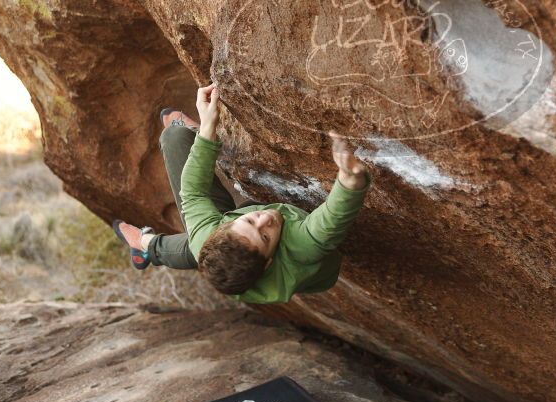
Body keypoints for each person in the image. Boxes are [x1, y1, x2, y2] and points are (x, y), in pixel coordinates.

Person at [112, 83, 372, 304]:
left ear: (221, 228)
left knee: (174, 137)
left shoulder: (208, 236)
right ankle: (146, 245)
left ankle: (144, 243)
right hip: (302, 265)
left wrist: (208, 125)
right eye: (265, 236)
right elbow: (330, 222)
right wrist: (350, 180)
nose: (265, 218)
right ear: (269, 261)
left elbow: (192, 192)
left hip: (219, 243)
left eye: (249, 221)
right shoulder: (300, 247)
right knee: (190, 251)